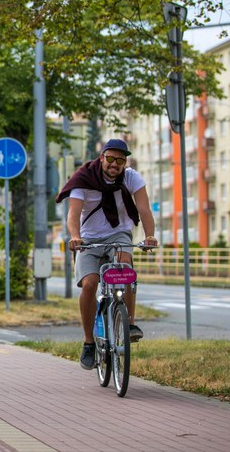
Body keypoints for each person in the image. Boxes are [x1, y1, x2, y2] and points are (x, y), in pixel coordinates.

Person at [56, 138, 158, 370]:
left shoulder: (132, 178)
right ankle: (88, 342)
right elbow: (73, 214)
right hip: (88, 239)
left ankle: (129, 324)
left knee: (125, 269)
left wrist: (150, 235)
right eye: (110, 158)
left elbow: (143, 209)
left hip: (118, 235)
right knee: (90, 284)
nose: (114, 164)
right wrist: (75, 236)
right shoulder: (84, 178)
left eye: (120, 160)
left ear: (125, 163)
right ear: (101, 158)